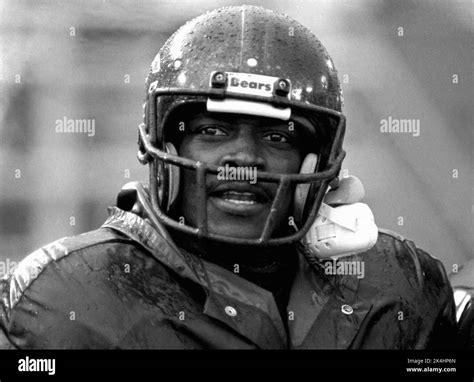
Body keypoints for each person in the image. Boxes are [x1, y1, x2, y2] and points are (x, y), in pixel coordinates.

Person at [0, 5, 457, 349]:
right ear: (162, 145)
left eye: (278, 138)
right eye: (212, 131)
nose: (243, 158)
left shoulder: (400, 284)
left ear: (316, 162)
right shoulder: (66, 299)